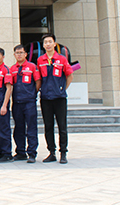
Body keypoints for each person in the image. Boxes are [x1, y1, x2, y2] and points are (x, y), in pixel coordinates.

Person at [37, 33, 74, 164]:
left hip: (59, 98)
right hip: (46, 98)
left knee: (62, 126)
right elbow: (39, 79)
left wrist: (63, 88)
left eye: (50, 42)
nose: (47, 44)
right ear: (43, 45)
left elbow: (70, 75)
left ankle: (63, 152)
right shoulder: (40, 60)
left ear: (54, 44)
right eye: (45, 42)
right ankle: (51, 152)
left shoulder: (62, 59)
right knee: (48, 126)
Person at [10, 44, 41, 163]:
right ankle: (20, 152)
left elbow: (38, 82)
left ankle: (32, 153)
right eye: (17, 53)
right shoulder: (12, 68)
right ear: (14, 55)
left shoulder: (32, 66)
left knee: (31, 128)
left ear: (25, 54)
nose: (19, 55)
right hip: (17, 103)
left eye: (21, 52)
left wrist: (32, 94)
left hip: (29, 103)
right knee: (18, 128)